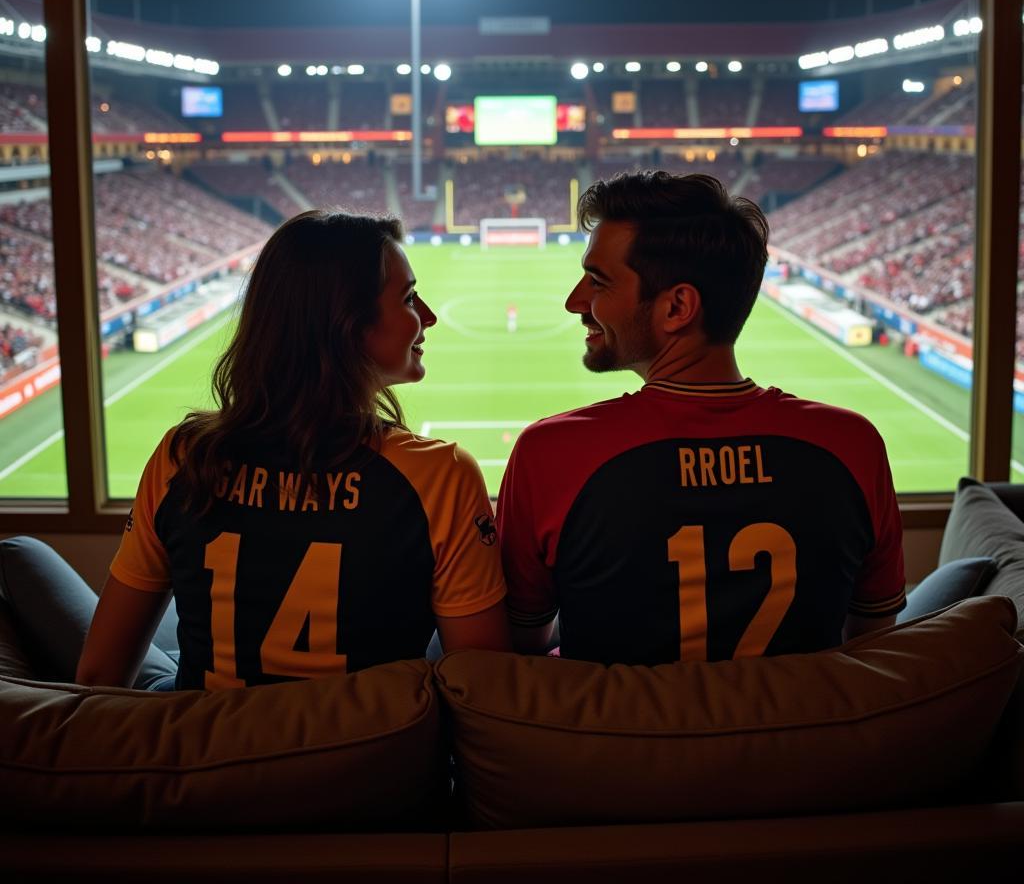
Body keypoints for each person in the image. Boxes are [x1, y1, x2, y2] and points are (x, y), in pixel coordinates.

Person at [76, 210, 509, 690]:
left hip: (204, 746)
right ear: (349, 324)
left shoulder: (184, 457)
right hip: (372, 755)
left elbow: (99, 675)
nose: (427, 316)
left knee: (20, 555)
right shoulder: (438, 475)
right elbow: (482, 689)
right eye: (408, 298)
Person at [496, 171, 905, 666]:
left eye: (598, 282)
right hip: (797, 740)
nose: (574, 301)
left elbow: (519, 647)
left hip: (615, 741)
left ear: (678, 306)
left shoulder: (553, 452)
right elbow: (871, 645)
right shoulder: (851, 445)